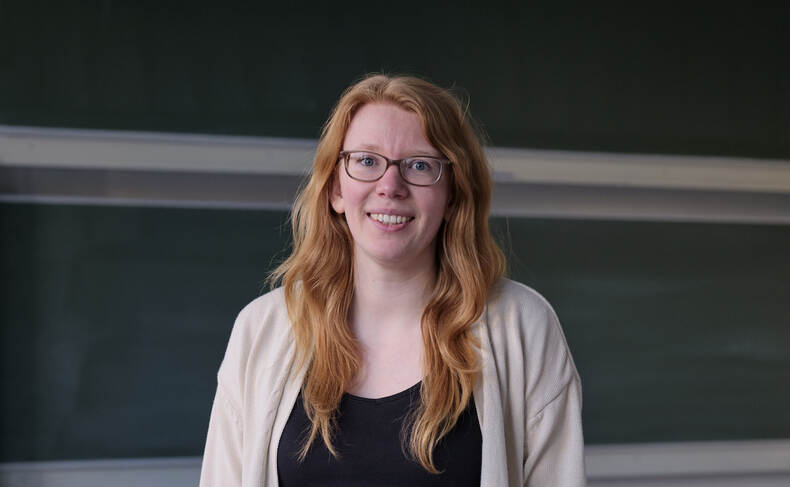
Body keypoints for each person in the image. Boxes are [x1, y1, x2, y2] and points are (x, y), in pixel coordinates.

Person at [200, 74, 586, 486]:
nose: (390, 186)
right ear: (335, 189)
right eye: (366, 161)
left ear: (453, 195)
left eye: (420, 165)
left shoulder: (522, 325)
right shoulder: (261, 330)